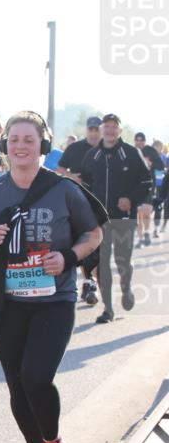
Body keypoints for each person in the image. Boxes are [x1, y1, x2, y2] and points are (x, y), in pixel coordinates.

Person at [0, 111, 104, 443]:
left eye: (29, 139)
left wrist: (69, 257)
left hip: (54, 301)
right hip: (9, 304)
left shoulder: (64, 190)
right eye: (14, 140)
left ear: (43, 144)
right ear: (5, 145)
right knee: (16, 385)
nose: (21, 146)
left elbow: (93, 234)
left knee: (36, 377)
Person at [80, 114, 153, 324]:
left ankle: (126, 286)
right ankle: (108, 309)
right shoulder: (92, 155)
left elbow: (146, 181)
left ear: (120, 131)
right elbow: (84, 185)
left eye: (114, 127)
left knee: (123, 262)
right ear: (102, 129)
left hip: (124, 218)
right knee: (102, 263)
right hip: (99, 220)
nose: (110, 130)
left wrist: (131, 199)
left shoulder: (131, 153)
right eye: (107, 126)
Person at [57, 116, 103, 304]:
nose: (94, 132)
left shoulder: (109, 150)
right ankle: (89, 282)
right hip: (78, 202)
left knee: (100, 247)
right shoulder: (75, 148)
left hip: (102, 204)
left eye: (97, 129)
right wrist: (72, 177)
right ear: (86, 130)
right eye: (91, 129)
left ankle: (93, 282)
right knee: (84, 243)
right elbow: (60, 168)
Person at [133, 132, 165, 247]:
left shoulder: (150, 151)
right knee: (138, 214)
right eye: (137, 140)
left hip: (149, 186)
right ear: (134, 141)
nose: (139, 142)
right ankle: (141, 239)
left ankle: (146, 233)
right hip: (135, 186)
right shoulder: (131, 151)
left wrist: (150, 163)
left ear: (145, 141)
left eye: (141, 140)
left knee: (145, 212)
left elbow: (161, 166)